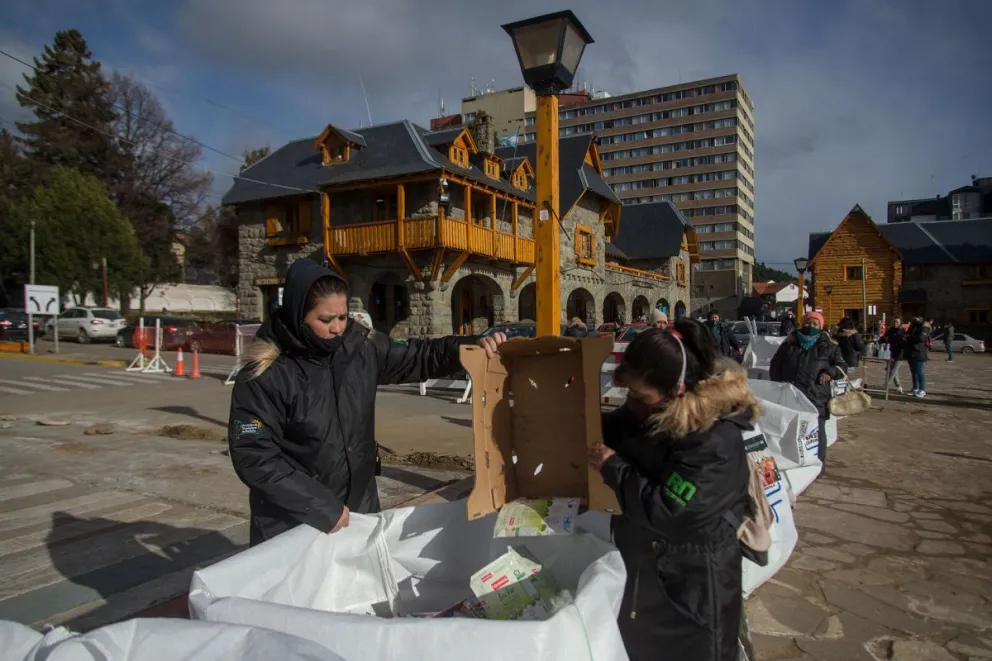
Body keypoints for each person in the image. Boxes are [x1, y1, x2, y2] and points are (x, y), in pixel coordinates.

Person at [228, 259, 506, 546]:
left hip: (358, 509)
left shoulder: (360, 348)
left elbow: (419, 356)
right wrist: (320, 507)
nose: (337, 328)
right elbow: (255, 455)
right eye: (325, 320)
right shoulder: (266, 372)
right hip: (293, 521)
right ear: (299, 314)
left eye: (343, 316)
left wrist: (471, 346)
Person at [588, 319, 757, 661]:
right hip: (647, 575)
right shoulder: (648, 413)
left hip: (692, 590)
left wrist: (613, 467)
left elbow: (672, 510)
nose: (631, 403)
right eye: (628, 393)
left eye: (639, 395)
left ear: (676, 389)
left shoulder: (713, 439)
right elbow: (604, 430)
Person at [769, 311, 846, 475]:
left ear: (821, 326)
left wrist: (830, 372)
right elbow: (775, 364)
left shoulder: (830, 345)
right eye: (808, 323)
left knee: (817, 433)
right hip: (791, 395)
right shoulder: (789, 343)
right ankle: (793, 467)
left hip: (816, 395)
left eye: (815, 324)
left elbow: (842, 367)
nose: (810, 326)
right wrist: (779, 384)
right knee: (790, 431)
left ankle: (818, 468)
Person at [906, 317, 931, 398]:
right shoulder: (913, 327)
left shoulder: (925, 328)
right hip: (911, 352)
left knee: (920, 372)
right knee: (914, 372)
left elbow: (921, 338)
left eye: (916, 321)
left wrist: (910, 337)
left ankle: (922, 390)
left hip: (919, 352)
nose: (913, 322)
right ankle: (915, 388)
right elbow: (907, 334)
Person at [883, 317, 906, 394]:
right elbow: (884, 337)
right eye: (894, 321)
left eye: (897, 322)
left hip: (900, 353)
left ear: (900, 323)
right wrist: (884, 341)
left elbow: (904, 341)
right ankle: (898, 386)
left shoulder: (902, 331)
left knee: (893, 370)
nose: (895, 323)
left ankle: (886, 385)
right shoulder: (891, 330)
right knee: (893, 370)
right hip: (892, 352)